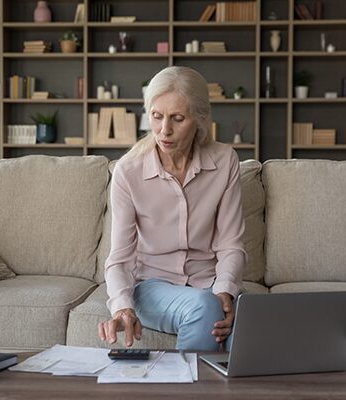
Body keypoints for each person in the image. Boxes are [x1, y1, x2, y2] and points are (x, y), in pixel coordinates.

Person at [97, 66, 246, 351]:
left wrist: (225, 289)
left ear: (199, 120)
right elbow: (120, 259)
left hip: (209, 282)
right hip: (152, 287)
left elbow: (231, 244)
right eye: (156, 116)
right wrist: (122, 308)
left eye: (178, 119)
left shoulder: (225, 161)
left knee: (246, 332)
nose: (164, 130)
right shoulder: (128, 171)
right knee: (204, 307)